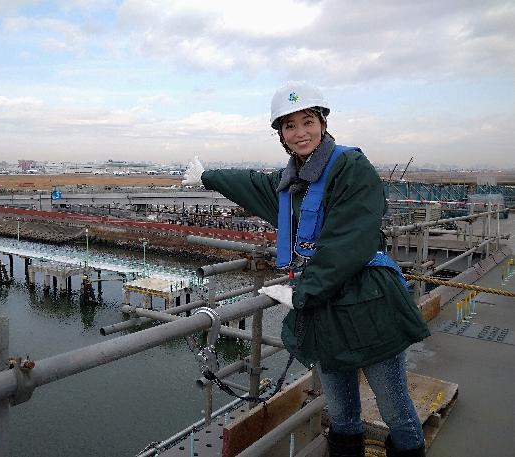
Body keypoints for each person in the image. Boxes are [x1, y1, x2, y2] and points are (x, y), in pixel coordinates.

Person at [182, 81, 430, 457]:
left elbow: (350, 242)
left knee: (395, 409)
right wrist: (206, 177)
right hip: (324, 311)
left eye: (308, 121)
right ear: (280, 134)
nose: (300, 133)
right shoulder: (290, 183)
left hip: (368, 302)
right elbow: (251, 184)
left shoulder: (350, 167)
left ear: (323, 123)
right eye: (290, 125)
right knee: (342, 412)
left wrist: (302, 292)